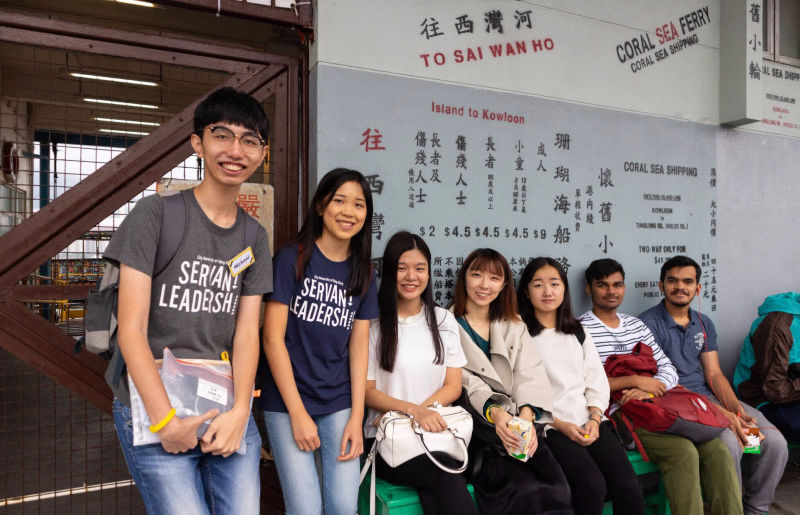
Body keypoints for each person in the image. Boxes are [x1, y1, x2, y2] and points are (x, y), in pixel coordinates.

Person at [107, 87, 272, 514]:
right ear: (198, 143)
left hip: (225, 408)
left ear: (261, 154)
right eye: (222, 135)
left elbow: (247, 333)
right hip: (156, 407)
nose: (235, 150)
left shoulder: (254, 236)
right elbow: (131, 329)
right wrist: (165, 422)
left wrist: (241, 412)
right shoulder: (155, 214)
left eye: (249, 140)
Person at [580, 258, 743, 515]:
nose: (611, 291)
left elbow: (668, 369)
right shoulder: (579, 330)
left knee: (718, 451)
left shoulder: (635, 325)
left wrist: (649, 389)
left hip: (660, 405)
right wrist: (634, 381)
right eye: (602, 285)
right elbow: (582, 383)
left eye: (617, 285)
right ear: (589, 289)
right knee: (683, 452)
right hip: (621, 414)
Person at [260, 168, 378, 515]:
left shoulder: (364, 271)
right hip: (287, 401)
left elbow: (359, 347)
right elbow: (271, 338)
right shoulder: (291, 259)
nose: (348, 212)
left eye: (358, 204)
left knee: (343, 506)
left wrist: (357, 417)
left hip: (338, 399)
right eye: (339, 200)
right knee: (305, 508)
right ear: (321, 206)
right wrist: (298, 413)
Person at [639, 256, 788, 515]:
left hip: (710, 399)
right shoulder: (647, 324)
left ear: (697, 288)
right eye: (673, 281)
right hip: (678, 404)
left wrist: (735, 410)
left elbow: (715, 374)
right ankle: (731, 509)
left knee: (772, 442)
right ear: (661, 285)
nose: (680, 287)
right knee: (730, 444)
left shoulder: (703, 322)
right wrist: (724, 415)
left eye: (688, 281)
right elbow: (661, 384)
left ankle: (755, 509)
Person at [517, 257, 644, 515]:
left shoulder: (577, 330)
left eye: (555, 284)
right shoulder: (520, 333)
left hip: (589, 421)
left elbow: (595, 379)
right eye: (538, 285)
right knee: (591, 486)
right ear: (527, 292)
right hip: (549, 427)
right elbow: (518, 390)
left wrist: (596, 418)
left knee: (628, 486)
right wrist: (560, 424)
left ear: (564, 289)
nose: (548, 291)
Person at [364, 231, 478, 515]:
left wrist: (419, 413)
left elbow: (453, 385)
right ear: (388, 272)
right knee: (444, 474)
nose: (411, 277)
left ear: (429, 273)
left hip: (436, 435)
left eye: (419, 268)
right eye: (402, 268)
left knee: (438, 481)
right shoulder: (373, 324)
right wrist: (414, 414)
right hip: (387, 441)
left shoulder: (443, 320)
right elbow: (367, 391)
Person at [452, 248, 571, 515]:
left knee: (557, 490)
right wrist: (497, 414)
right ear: (464, 278)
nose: (484, 285)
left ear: (504, 284)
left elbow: (530, 372)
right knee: (522, 493)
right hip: (480, 434)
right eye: (477, 275)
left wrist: (527, 418)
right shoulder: (447, 324)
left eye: (494, 278)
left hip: (522, 429)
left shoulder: (514, 325)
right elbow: (464, 381)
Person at [734, 292, 800, 443]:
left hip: (791, 395)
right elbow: (775, 390)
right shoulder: (777, 326)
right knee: (763, 445)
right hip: (761, 400)